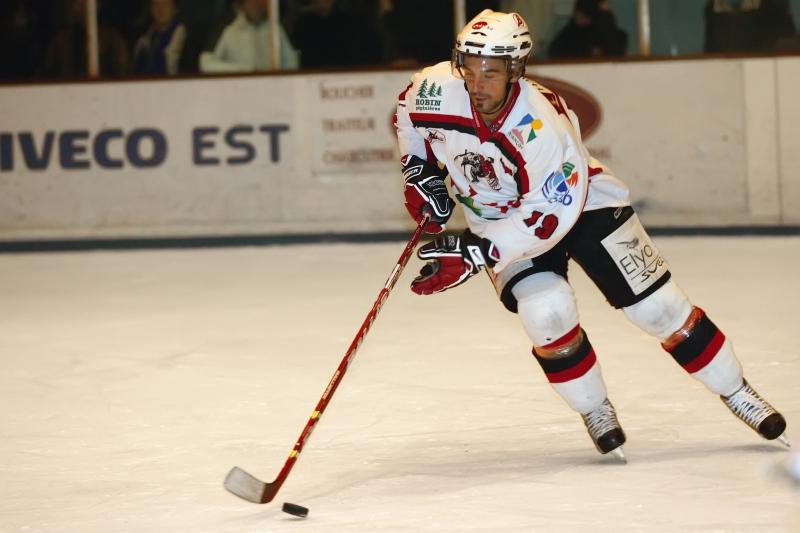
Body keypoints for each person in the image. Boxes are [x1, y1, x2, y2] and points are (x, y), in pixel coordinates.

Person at [395, 9, 789, 460]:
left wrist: (479, 252)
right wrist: (418, 170)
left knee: (658, 308)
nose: (477, 83)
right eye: (469, 68)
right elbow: (407, 113)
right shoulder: (435, 88)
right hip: (501, 219)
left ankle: (736, 390)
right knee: (546, 312)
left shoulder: (539, 126)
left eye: (492, 72)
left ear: (515, 71)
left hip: (581, 205)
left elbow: (548, 216)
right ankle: (594, 407)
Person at [199, 0, 299, 72]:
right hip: (236, 87)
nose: (259, 5)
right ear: (244, 5)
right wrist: (241, 70)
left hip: (269, 86)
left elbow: (291, 63)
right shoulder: (230, 30)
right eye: (254, 2)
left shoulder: (275, 29)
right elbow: (206, 64)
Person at [44, 0, 130, 78]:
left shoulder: (113, 40)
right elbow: (48, 76)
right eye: (74, 2)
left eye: (82, 2)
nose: (77, 7)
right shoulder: (60, 40)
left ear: (96, 5)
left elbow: (121, 78)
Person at [548, 0, 627, 59]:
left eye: (584, 16)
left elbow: (615, 53)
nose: (579, 20)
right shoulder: (570, 34)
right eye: (577, 17)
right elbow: (555, 52)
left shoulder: (619, 36)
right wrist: (588, 51)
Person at [133, 0, 187, 75]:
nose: (160, 9)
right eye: (155, 4)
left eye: (165, 4)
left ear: (175, 9)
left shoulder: (180, 31)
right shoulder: (146, 34)